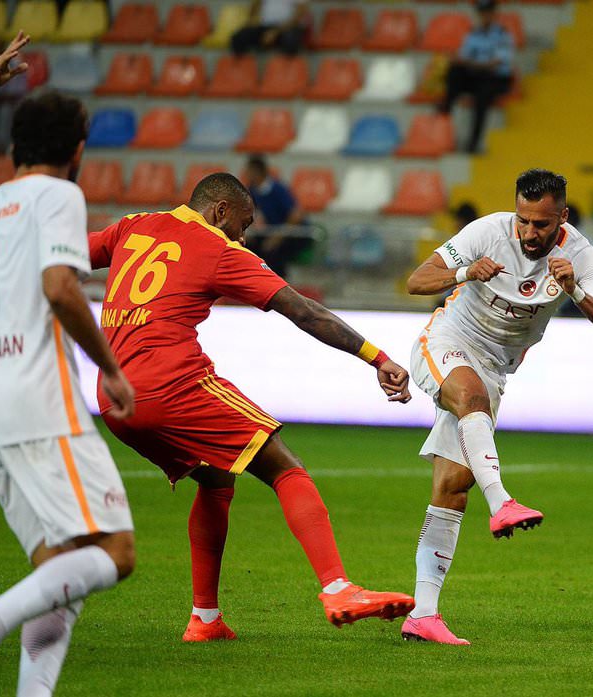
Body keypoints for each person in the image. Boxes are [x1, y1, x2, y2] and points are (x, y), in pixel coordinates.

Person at [87, 172, 415, 642]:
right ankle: (338, 588)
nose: (243, 237)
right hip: (170, 386)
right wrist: (377, 358)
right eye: (242, 225)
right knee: (283, 465)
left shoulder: (132, 225)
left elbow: (64, 257)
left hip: (112, 396)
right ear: (220, 210)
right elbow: (304, 311)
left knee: (216, 478)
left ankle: (205, 619)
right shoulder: (219, 249)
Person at [401, 168, 593, 644]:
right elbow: (417, 280)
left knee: (452, 487)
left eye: (540, 224)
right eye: (523, 221)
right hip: (447, 340)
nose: (528, 232)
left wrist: (576, 290)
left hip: (495, 369)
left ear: (562, 217)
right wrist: (465, 272)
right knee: (470, 397)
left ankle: (423, 615)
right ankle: (502, 501)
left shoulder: (581, 255)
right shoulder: (487, 232)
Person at [0, 90, 137, 695]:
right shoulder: (58, 195)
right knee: (116, 551)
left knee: (59, 568)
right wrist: (110, 367)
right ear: (78, 150)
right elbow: (60, 286)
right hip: (39, 402)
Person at [439, 0, 515, 153]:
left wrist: (470, 63)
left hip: (495, 78)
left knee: (482, 97)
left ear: (494, 14)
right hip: (477, 75)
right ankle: (443, 117)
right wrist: (461, 62)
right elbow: (463, 57)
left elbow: (495, 64)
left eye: (488, 12)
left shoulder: (503, 35)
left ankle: (474, 142)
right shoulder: (473, 34)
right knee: (454, 73)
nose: (485, 16)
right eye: (482, 12)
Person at [242, 155, 310, 278]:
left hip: (291, 234)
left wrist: (277, 237)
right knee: (248, 247)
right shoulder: (252, 190)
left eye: (249, 171)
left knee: (272, 252)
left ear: (258, 171)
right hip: (270, 232)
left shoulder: (278, 189)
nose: (247, 174)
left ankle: (278, 282)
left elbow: (295, 215)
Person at [230, 0, 310, 56]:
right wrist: (252, 21)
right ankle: (245, 71)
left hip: (288, 28)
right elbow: (254, 9)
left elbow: (299, 16)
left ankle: (284, 71)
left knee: (291, 41)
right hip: (265, 27)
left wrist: (275, 32)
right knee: (238, 38)